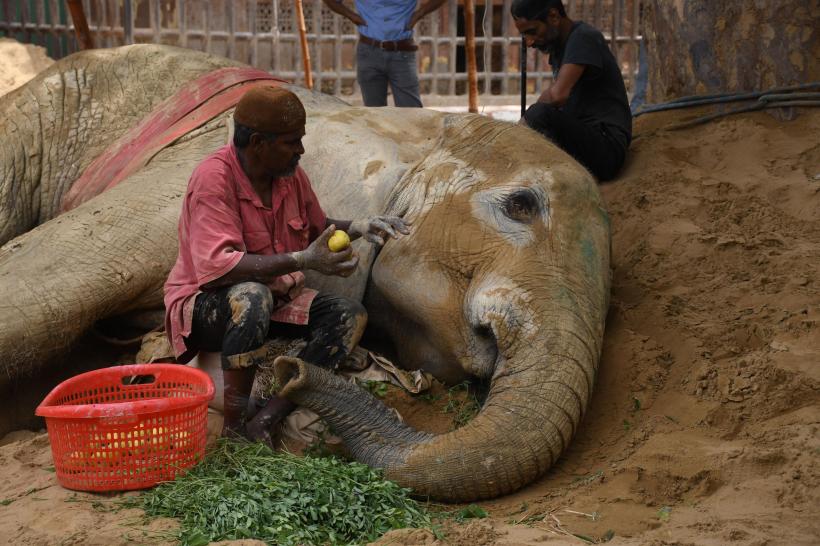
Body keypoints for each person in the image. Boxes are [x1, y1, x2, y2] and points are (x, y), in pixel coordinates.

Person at [163, 86, 409, 442]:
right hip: (206, 306)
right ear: (259, 143)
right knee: (251, 296)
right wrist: (303, 260)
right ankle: (233, 430)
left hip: (276, 299)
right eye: (292, 142)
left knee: (348, 314)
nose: (301, 151)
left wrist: (359, 226)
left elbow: (317, 227)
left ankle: (266, 417)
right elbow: (220, 268)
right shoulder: (213, 180)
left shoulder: (290, 177)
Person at [511, 0, 631, 181]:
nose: (529, 42)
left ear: (553, 16)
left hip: (606, 148)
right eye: (524, 35)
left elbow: (557, 95)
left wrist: (519, 128)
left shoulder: (583, 37)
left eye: (532, 32)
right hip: (588, 141)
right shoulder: (560, 48)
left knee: (539, 115)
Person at [323, 0, 447, 107]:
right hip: (368, 52)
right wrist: (352, 17)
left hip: (402, 53)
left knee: (411, 112)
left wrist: (419, 13)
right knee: (374, 115)